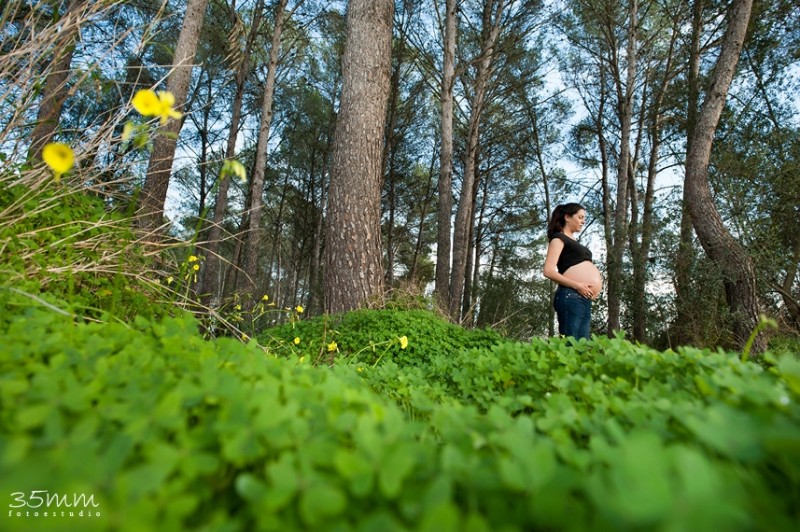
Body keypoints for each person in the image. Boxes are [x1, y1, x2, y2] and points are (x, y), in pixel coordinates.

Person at [543, 203, 603, 340]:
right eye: (580, 217)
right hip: (570, 295)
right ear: (567, 217)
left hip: (583, 297)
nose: (583, 221)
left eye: (584, 218)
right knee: (571, 344)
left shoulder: (574, 241)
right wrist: (577, 285)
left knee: (582, 346)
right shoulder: (558, 238)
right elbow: (548, 271)